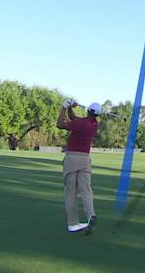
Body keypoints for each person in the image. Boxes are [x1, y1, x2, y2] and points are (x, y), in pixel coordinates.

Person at [56, 99, 100, 234]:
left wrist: (64, 107)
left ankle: (73, 224)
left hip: (72, 158)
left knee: (71, 191)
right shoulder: (94, 124)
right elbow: (74, 118)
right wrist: (70, 108)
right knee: (86, 189)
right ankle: (91, 215)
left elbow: (60, 124)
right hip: (85, 159)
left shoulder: (81, 123)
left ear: (88, 111)